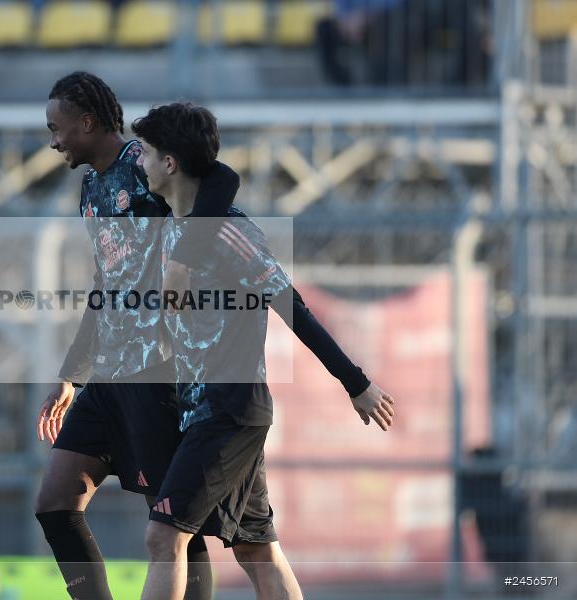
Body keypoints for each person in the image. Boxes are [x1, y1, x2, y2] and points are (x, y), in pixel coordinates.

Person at [132, 102, 397, 599]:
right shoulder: (173, 223)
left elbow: (291, 306)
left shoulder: (231, 232)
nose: (138, 163)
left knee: (164, 535)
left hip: (229, 410)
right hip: (207, 413)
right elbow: (221, 174)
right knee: (257, 550)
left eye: (146, 154)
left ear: (169, 163)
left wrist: (354, 382)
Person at [34, 71, 239, 600]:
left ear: (87, 121)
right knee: (56, 500)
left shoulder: (142, 162)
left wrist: (184, 263)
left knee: (172, 525)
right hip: (109, 373)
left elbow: (221, 180)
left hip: (158, 372)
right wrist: (70, 378)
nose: (53, 140)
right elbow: (107, 285)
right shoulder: (90, 187)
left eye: (58, 128)